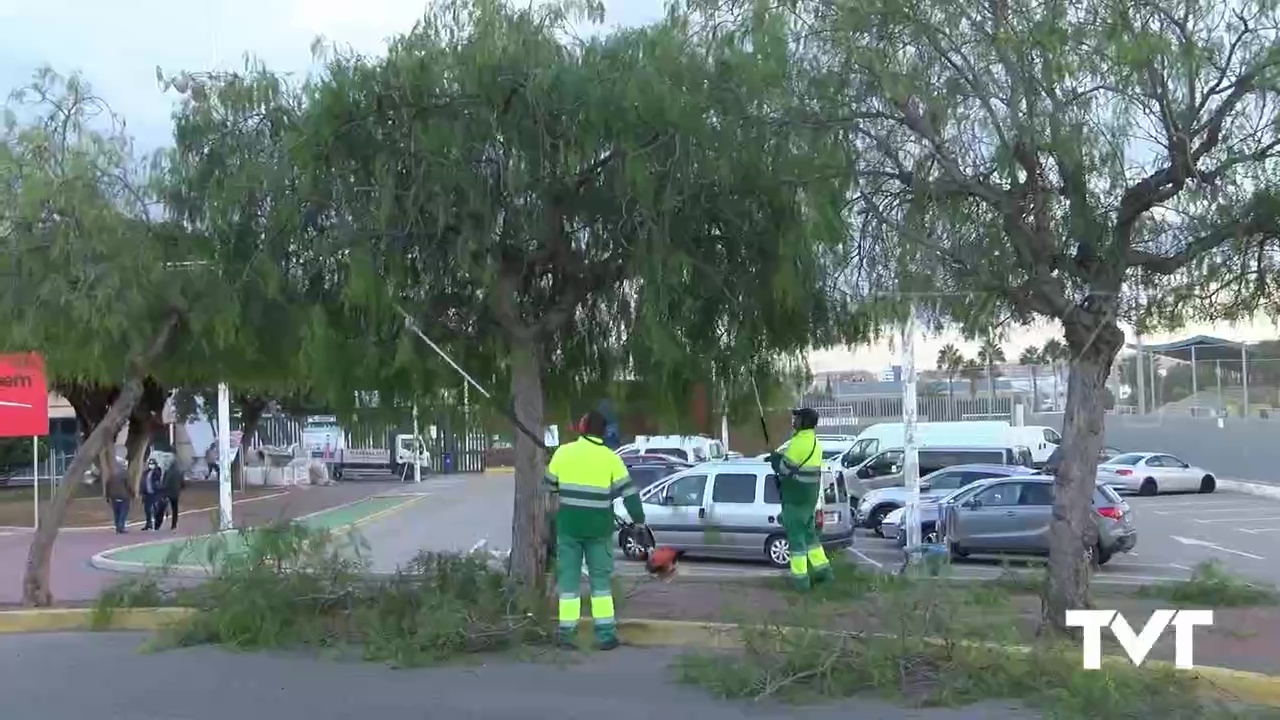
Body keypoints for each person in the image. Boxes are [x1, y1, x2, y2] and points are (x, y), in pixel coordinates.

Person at [543, 410, 645, 651]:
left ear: (582, 427)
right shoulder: (611, 459)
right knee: (601, 584)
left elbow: (547, 487)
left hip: (568, 529)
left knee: (568, 583)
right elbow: (630, 493)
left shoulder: (563, 453)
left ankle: (567, 634)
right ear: (603, 432)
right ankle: (606, 635)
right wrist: (639, 521)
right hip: (599, 531)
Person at [767, 407, 833, 590]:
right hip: (809, 499)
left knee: (796, 539)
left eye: (796, 418)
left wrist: (774, 459)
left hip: (795, 498)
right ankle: (824, 572)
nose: (793, 421)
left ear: (803, 422)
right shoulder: (815, 442)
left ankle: (801, 581)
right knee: (810, 536)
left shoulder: (797, 444)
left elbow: (784, 469)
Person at [153, 459, 184, 530]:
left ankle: (157, 525)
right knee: (175, 509)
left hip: (167, 492)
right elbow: (182, 483)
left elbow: (165, 483)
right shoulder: (179, 473)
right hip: (175, 493)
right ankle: (174, 524)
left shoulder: (168, 472)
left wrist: (161, 488)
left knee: (161, 509)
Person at [104, 463, 134, 534]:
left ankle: (118, 527)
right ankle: (121, 526)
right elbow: (129, 485)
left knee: (116, 512)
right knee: (123, 512)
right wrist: (132, 494)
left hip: (114, 496)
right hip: (124, 496)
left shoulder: (112, 475)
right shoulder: (125, 474)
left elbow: (107, 485)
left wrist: (108, 496)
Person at [140, 458, 163, 531]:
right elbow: (143, 482)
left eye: (152, 464)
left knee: (156, 509)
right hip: (147, 493)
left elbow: (159, 475)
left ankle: (157, 523)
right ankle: (148, 524)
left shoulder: (157, 472)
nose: (151, 465)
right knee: (147, 509)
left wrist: (156, 468)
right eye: (150, 463)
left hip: (155, 493)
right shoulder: (146, 473)